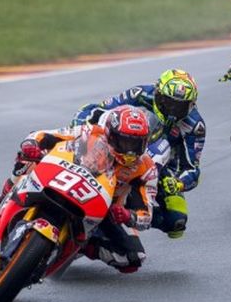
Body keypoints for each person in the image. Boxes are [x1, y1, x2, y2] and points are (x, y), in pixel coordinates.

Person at [1, 106, 157, 273]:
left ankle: (85, 246)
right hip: (66, 177)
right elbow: (45, 135)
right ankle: (4, 198)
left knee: (133, 259)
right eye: (125, 141)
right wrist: (31, 144)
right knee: (26, 161)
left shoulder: (146, 169)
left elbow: (146, 215)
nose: (130, 150)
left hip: (103, 209)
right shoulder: (90, 131)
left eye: (135, 143)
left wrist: (128, 215)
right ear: (111, 134)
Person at [71, 69, 205, 239]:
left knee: (176, 221)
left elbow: (193, 170)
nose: (172, 110)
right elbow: (100, 109)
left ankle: (125, 215)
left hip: (160, 166)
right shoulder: (139, 94)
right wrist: (81, 125)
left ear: (191, 105)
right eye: (168, 102)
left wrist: (177, 183)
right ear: (157, 93)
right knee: (74, 139)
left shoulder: (195, 126)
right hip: (118, 143)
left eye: (180, 106)